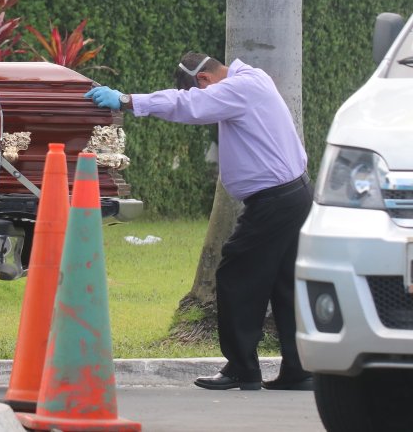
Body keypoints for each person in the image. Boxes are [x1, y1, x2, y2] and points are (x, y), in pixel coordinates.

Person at [86, 52, 313, 392]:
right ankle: (300, 371)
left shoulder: (238, 88)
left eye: (201, 91)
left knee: (236, 275)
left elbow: (187, 105)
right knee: (285, 284)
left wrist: (127, 100)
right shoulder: (252, 79)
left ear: (204, 81)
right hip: (292, 195)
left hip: (276, 201)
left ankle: (242, 369)